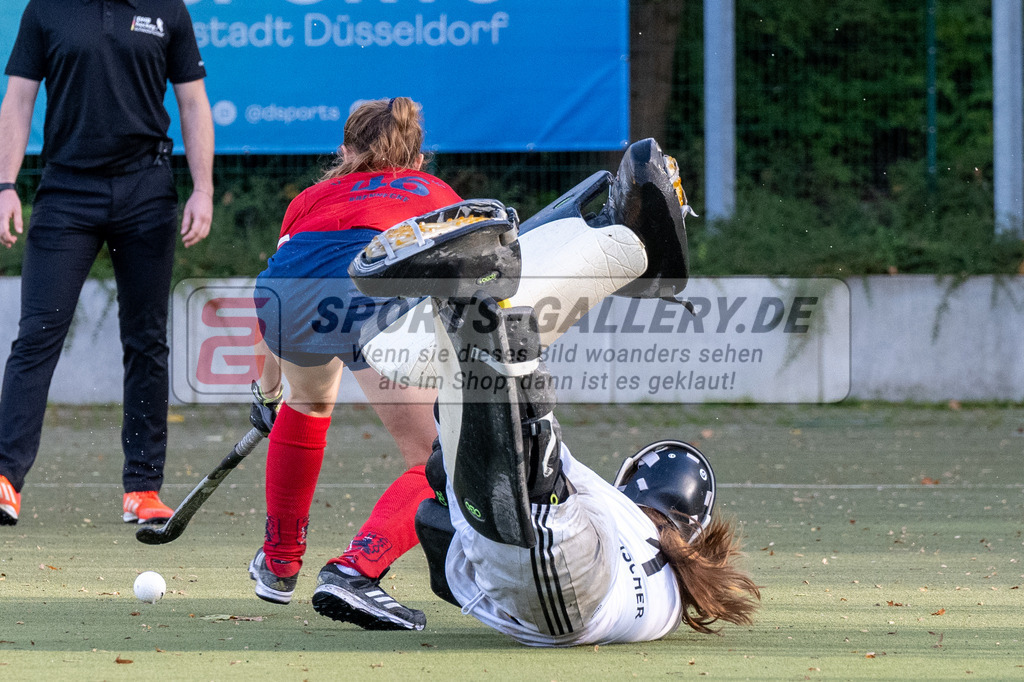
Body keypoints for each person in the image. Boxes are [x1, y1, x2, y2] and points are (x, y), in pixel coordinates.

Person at [344, 164, 760, 645]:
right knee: (494, 440)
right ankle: (468, 296)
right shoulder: (666, 586)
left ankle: (483, 286)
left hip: (566, 576)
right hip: (546, 591)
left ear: (634, 481)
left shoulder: (633, 529)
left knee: (512, 431)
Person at [245, 96, 461, 631]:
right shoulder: (435, 194)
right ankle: (355, 570)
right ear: (417, 156)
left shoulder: (308, 199)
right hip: (369, 295)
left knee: (307, 402)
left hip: (287, 297)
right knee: (439, 458)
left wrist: (265, 393)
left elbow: (278, 286)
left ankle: (278, 565)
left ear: (344, 151)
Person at [0, 0, 214, 527]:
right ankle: (4, 478)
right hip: (65, 193)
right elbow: (19, 99)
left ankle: (142, 488)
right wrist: (5, 185)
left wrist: (204, 189)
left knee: (146, 339)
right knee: (37, 334)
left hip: (147, 191)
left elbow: (193, 102)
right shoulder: (45, 9)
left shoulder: (169, 9)